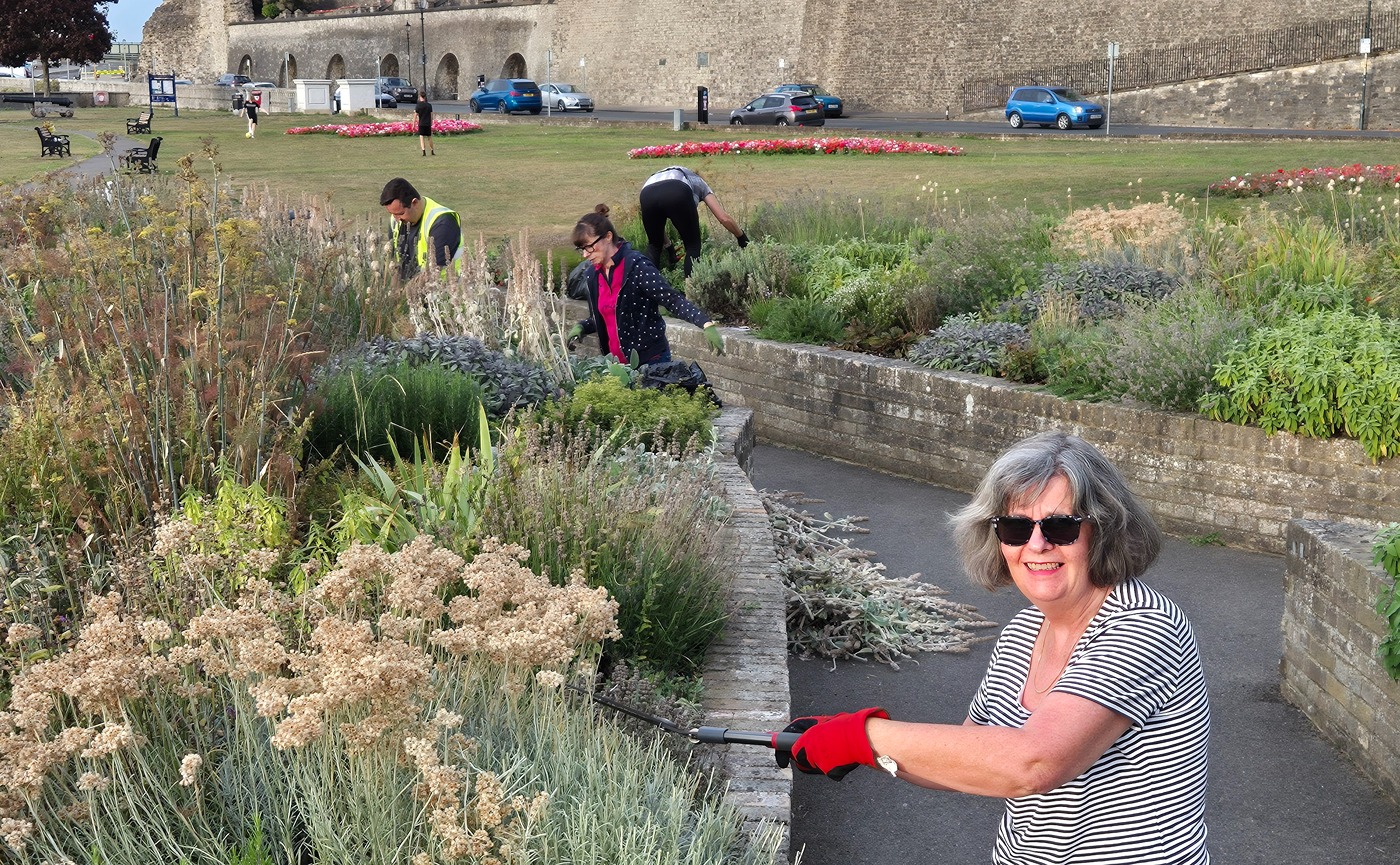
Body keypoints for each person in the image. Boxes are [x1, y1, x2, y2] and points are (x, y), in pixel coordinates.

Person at [777, 431, 1210, 865]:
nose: (1037, 545)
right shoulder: (1023, 631)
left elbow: (1034, 762)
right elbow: (972, 755)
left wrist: (863, 736)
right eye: (1017, 527)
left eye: (1061, 526)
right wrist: (860, 746)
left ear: (1105, 530)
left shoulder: (1145, 626)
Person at [566, 204, 724, 364]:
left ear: (607, 237)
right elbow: (610, 315)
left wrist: (705, 323)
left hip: (650, 360)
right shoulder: (592, 275)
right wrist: (583, 326)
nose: (585, 254)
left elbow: (671, 299)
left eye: (590, 247)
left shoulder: (636, 266)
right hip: (616, 366)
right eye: (581, 249)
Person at [639, 165, 748, 277]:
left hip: (647, 192)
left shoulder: (664, 174)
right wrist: (741, 237)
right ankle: (691, 292)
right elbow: (723, 218)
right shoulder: (700, 182)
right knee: (693, 246)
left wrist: (669, 247)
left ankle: (646, 291)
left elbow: (657, 224)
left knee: (654, 247)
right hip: (677, 190)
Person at [379, 177, 462, 280]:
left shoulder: (443, 223)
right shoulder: (395, 221)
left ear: (414, 203)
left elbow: (433, 272)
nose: (396, 219)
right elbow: (395, 264)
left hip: (446, 291)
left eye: (400, 213)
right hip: (413, 290)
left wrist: (403, 294)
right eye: (392, 214)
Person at [415, 90, 434, 156]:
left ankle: (423, 151)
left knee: (421, 137)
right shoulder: (429, 105)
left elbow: (415, 115)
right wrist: (431, 122)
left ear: (420, 96)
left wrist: (413, 124)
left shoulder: (418, 106)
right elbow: (431, 115)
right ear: (425, 97)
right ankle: (432, 150)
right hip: (428, 123)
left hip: (421, 123)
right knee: (429, 137)